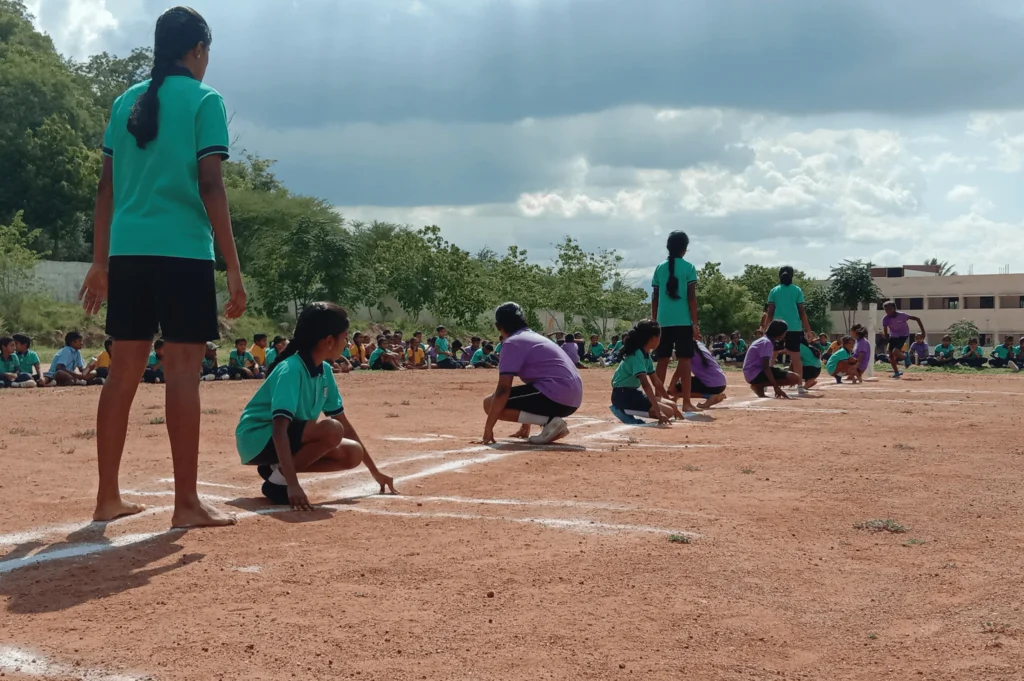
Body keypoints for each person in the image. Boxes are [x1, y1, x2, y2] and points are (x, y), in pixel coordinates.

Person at [77, 6, 246, 527]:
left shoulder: (125, 101)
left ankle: (108, 497)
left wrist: (99, 262)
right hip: (181, 253)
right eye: (207, 52)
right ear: (197, 50)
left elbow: (105, 188)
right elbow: (211, 186)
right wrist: (233, 269)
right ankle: (186, 505)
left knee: (122, 375)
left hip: (127, 253)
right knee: (181, 376)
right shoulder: (204, 100)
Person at [235, 303, 397, 508]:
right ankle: (278, 483)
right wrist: (292, 484)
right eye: (344, 337)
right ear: (329, 341)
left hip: (283, 439)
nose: (346, 343)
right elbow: (279, 429)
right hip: (256, 440)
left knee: (353, 453)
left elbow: (345, 425)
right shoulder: (291, 369)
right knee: (331, 429)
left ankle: (277, 470)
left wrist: (376, 472)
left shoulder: (325, 371)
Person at [482, 302, 583, 445]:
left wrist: (488, 429)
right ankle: (550, 422)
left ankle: (550, 422)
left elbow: (503, 389)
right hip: (571, 397)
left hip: (557, 394)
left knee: (489, 403)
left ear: (499, 326)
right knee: (502, 400)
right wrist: (525, 423)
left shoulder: (512, 342)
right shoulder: (532, 337)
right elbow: (532, 384)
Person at [651, 231, 700, 412]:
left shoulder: (659, 268)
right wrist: (695, 324)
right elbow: (692, 299)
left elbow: (655, 297)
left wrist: (654, 321)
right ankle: (686, 402)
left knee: (662, 360)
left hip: (662, 322)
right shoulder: (689, 268)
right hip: (683, 322)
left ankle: (657, 400)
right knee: (684, 360)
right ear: (685, 250)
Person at [609, 321, 683, 425]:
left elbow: (656, 382)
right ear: (652, 338)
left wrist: (673, 406)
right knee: (668, 411)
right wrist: (659, 411)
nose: (660, 339)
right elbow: (645, 384)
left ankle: (628, 409)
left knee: (673, 406)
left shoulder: (645, 353)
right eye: (659, 336)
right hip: (623, 396)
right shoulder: (636, 355)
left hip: (634, 393)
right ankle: (622, 410)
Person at [760, 266, 813, 394]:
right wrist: (808, 330)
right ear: (792, 275)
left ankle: (766, 384)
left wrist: (765, 328)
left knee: (772, 356)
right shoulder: (797, 290)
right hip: (794, 327)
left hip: (777, 327)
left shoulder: (774, 291)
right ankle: (800, 386)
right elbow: (802, 312)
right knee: (796, 357)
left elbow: (770, 311)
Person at [743, 320, 799, 398]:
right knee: (795, 378)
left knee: (792, 377)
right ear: (780, 333)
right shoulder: (767, 343)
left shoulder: (765, 340)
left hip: (751, 373)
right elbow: (766, 367)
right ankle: (758, 385)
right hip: (755, 373)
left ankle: (759, 385)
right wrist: (776, 387)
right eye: (785, 332)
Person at [880, 301, 925, 379]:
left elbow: (917, 319)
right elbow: (885, 331)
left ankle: (906, 357)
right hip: (893, 336)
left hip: (903, 335)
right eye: (886, 310)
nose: (888, 311)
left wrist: (923, 332)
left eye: (889, 309)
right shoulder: (885, 319)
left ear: (894, 308)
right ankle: (896, 372)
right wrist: (885, 338)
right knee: (890, 355)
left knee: (895, 351)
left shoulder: (902, 315)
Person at [684, 341, 728, 408]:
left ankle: (709, 396)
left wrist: (672, 389)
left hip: (712, 385)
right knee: (684, 383)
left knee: (678, 388)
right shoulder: (699, 344)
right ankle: (713, 395)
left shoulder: (687, 347)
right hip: (721, 383)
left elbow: (680, 371)